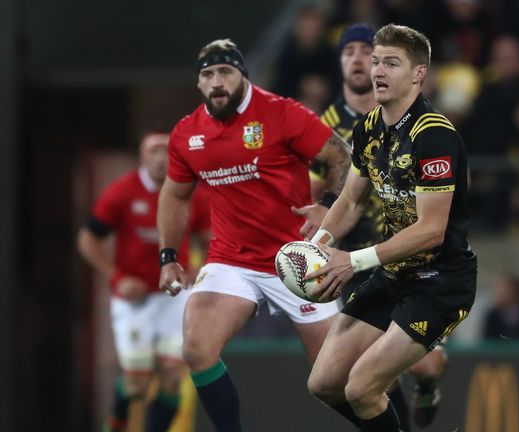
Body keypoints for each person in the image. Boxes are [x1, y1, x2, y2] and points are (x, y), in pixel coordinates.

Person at [156, 39, 350, 432]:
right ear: (199, 83)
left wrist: (328, 204)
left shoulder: (280, 113)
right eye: (207, 75)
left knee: (336, 381)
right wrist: (169, 255)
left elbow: (340, 155)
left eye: (225, 72)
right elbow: (175, 195)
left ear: (243, 76)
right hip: (232, 260)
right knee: (197, 347)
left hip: (296, 258)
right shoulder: (188, 134)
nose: (216, 82)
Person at [304, 24, 476, 432]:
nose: (377, 70)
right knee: (324, 383)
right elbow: (350, 200)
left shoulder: (434, 136)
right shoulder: (367, 128)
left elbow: (431, 230)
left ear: (419, 73)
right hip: (393, 273)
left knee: (362, 388)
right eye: (376, 61)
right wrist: (316, 247)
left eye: (391, 63)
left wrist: (353, 260)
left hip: (439, 282)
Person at [77, 131, 210, 432]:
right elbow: (88, 239)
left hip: (174, 296)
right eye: (154, 150)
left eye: (167, 150)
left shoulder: (192, 194)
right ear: (142, 156)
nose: (161, 158)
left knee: (173, 374)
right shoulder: (122, 192)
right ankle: (116, 421)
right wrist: (117, 276)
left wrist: (204, 270)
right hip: (134, 299)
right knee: (136, 382)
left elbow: (209, 238)